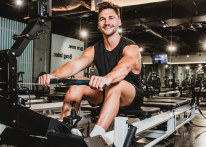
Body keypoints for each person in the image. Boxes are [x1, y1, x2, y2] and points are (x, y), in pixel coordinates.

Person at [38, 1, 143, 137]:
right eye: (102, 19)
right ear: (98, 25)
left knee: (116, 85)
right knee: (78, 82)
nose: (107, 22)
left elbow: (125, 66)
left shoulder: (131, 47)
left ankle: (95, 137)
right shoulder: (94, 49)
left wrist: (107, 78)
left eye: (111, 18)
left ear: (119, 22)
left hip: (131, 96)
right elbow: (74, 65)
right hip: (106, 92)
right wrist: (53, 76)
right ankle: (64, 129)